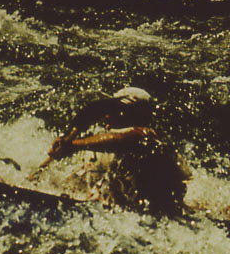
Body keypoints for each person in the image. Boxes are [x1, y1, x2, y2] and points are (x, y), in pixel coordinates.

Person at [47, 87, 191, 214]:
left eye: (115, 110)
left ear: (134, 113)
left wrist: (73, 145)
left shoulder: (150, 139)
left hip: (150, 216)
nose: (107, 115)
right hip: (107, 212)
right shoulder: (95, 140)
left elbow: (125, 139)